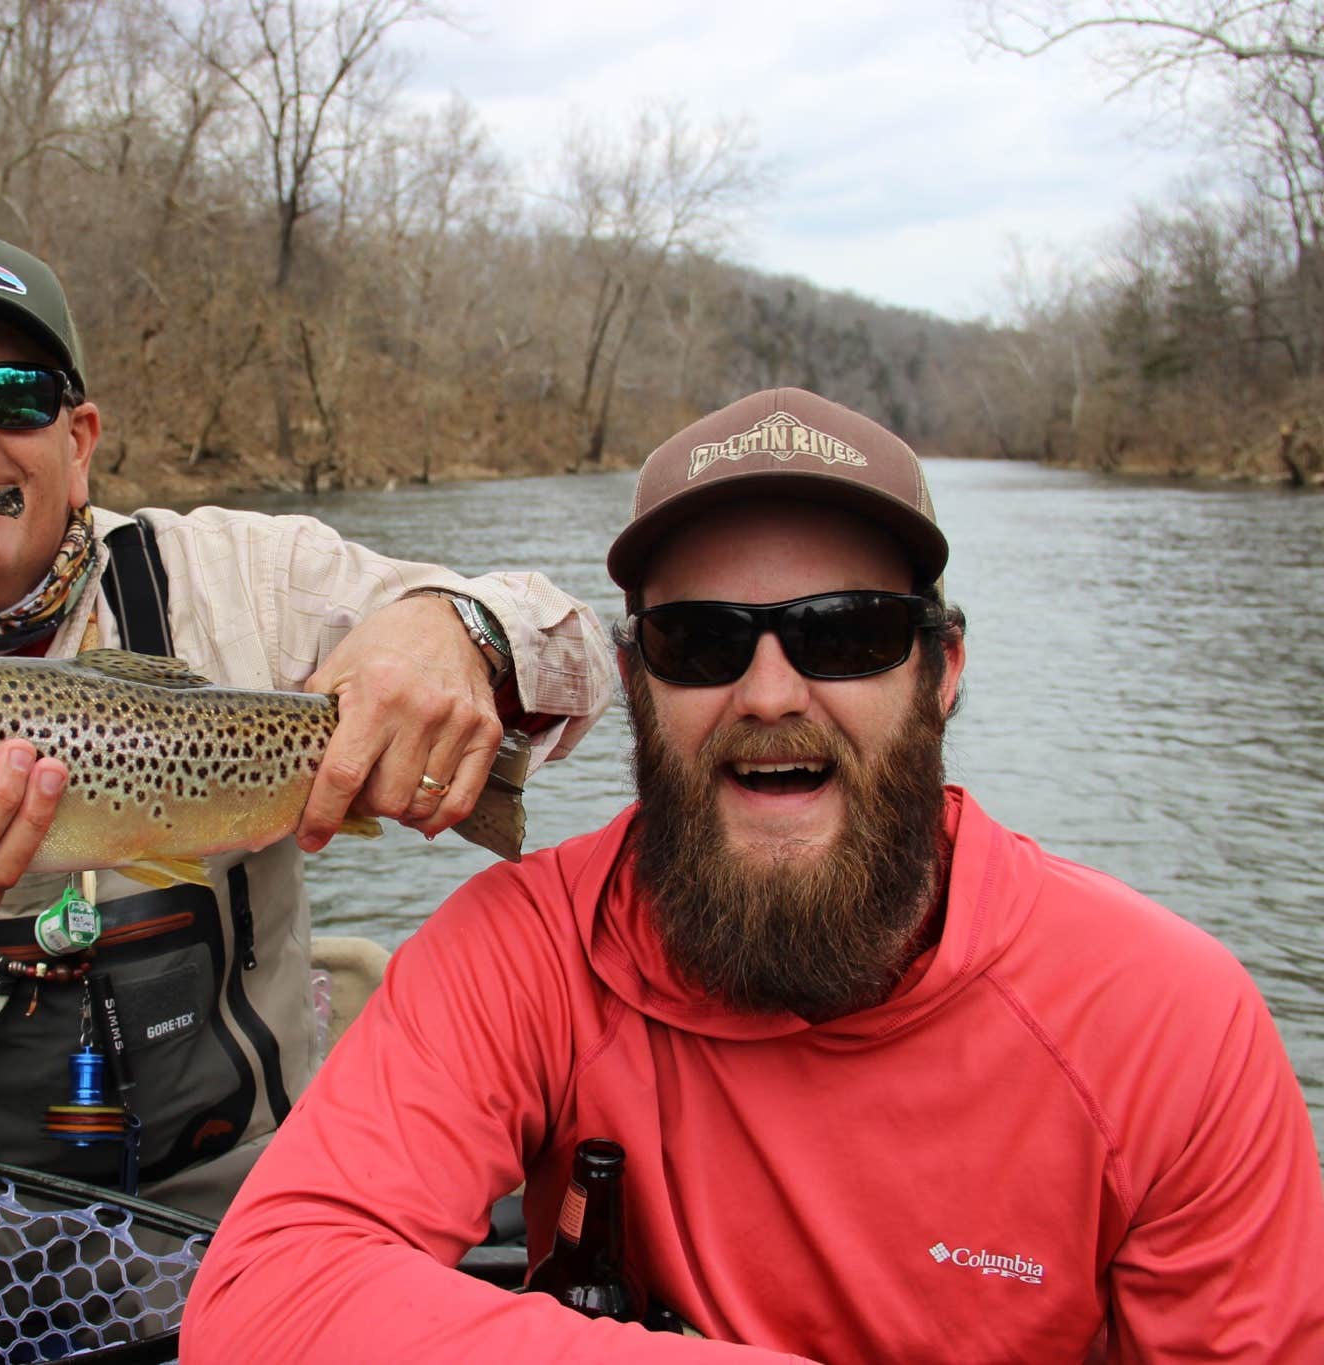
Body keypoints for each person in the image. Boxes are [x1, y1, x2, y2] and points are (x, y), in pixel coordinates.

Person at [180, 388, 1324, 1362]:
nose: (769, 692)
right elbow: (262, 1306)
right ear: (634, 684)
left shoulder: (1164, 1018)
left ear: (943, 671)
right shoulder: (518, 949)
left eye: (843, 633)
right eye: (702, 643)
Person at [0, 230, 614, 1217]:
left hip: (255, 1182)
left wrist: (456, 629)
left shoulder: (242, 576)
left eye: (12, 395)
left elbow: (578, 648)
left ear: (76, 443)